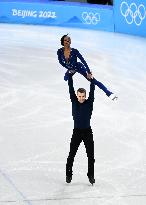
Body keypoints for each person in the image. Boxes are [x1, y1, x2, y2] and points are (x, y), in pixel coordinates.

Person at [57, 34, 117, 101]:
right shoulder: (60, 51)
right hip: (71, 69)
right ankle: (68, 73)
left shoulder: (74, 51)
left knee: (93, 80)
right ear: (62, 42)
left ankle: (109, 93)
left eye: (69, 40)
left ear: (70, 41)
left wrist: (88, 72)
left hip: (78, 67)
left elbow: (83, 61)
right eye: (65, 40)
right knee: (65, 79)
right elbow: (60, 62)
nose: (67, 41)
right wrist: (69, 69)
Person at [66, 72, 95, 185]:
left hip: (87, 132)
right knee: (71, 154)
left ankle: (90, 175)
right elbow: (70, 88)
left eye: (83, 96)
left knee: (91, 156)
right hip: (77, 132)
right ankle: (68, 174)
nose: (81, 98)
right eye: (79, 96)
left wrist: (91, 80)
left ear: (85, 96)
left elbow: (92, 89)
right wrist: (70, 76)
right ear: (77, 95)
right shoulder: (74, 101)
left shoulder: (89, 103)